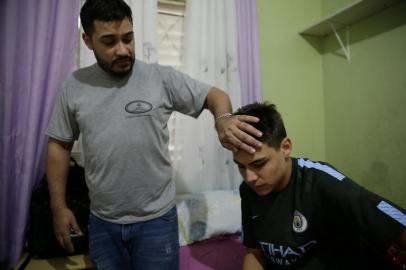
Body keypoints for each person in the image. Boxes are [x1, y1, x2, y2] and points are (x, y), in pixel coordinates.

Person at [45, 0, 262, 269]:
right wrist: (58, 208)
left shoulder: (160, 78)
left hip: (156, 223)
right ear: (88, 41)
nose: (123, 49)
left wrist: (223, 118)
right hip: (103, 222)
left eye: (128, 38)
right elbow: (59, 145)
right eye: (110, 41)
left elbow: (215, 96)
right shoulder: (75, 86)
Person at [233, 102, 406, 269]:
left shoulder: (320, 181)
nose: (249, 177)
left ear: (285, 148)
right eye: (241, 166)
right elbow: (254, 252)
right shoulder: (248, 190)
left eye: (259, 164)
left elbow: (396, 222)